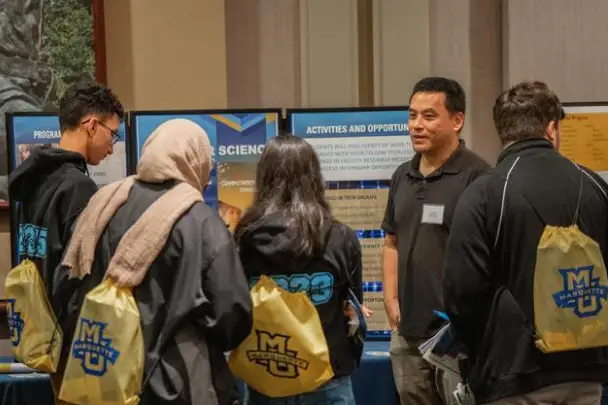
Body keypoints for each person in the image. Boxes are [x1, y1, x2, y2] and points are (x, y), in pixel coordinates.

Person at [58, 118, 253, 405]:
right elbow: (232, 315)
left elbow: (67, 284)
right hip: (175, 385)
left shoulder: (103, 205)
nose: (209, 176)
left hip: (104, 378)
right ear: (195, 160)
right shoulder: (200, 222)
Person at [442, 81, 608, 405]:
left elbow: (461, 293)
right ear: (551, 128)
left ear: (502, 132)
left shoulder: (484, 193)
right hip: (587, 370)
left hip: (511, 373)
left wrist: (474, 353)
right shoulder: (595, 187)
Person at [8, 80, 123, 402]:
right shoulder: (78, 189)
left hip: (44, 332)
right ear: (91, 125)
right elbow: (78, 276)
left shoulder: (33, 182)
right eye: (112, 134)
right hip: (76, 345)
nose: (112, 147)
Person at [381, 76, 490, 405]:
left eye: (428, 116)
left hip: (456, 336)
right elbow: (391, 240)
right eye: (412, 115)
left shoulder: (479, 177)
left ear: (457, 120)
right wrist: (390, 299)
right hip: (406, 332)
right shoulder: (402, 174)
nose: (416, 125)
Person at [234, 134, 363, 405]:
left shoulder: (244, 239)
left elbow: (235, 307)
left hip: (266, 376)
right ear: (314, 177)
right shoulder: (340, 237)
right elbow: (353, 310)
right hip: (328, 375)